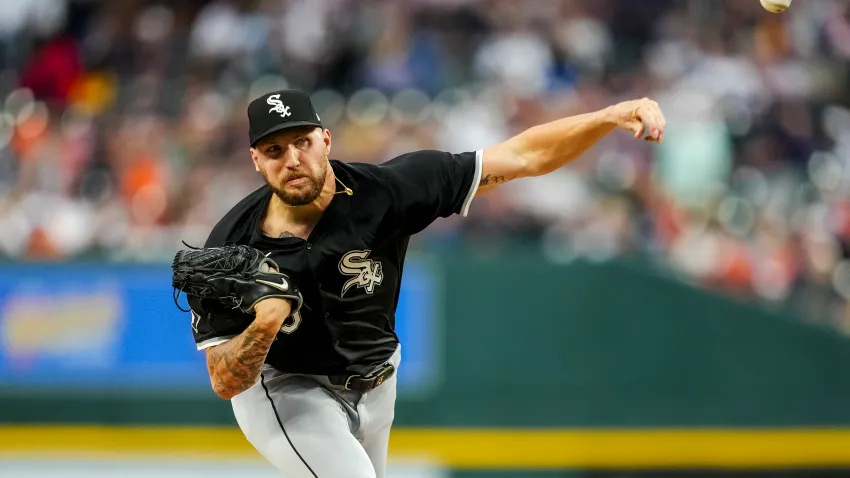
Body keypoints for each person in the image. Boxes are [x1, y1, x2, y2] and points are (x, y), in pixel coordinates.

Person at [184, 88, 666, 477]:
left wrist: (607, 115)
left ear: (326, 140)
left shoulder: (388, 191)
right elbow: (225, 381)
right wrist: (265, 323)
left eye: (302, 142)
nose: (291, 159)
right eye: (274, 149)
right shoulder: (231, 247)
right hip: (288, 387)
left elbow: (523, 156)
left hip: (377, 378)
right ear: (255, 159)